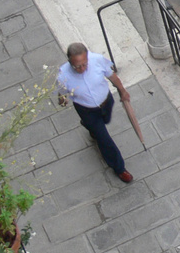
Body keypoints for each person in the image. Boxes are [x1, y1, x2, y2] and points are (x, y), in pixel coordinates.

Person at [56, 42, 134, 182]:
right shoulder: (63, 76)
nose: (82, 69)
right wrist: (62, 101)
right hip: (86, 110)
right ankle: (119, 168)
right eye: (77, 66)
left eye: (85, 64)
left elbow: (112, 76)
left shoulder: (97, 60)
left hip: (106, 101)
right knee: (104, 139)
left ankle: (89, 126)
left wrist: (123, 91)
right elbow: (61, 94)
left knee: (106, 120)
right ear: (70, 62)